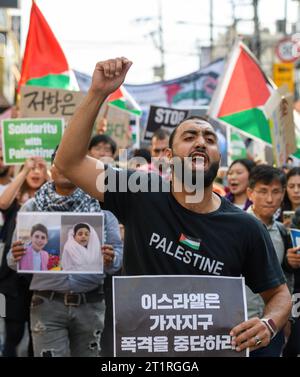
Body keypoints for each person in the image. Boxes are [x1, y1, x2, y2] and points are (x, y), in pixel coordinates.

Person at [54, 57, 292, 354]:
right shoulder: (139, 193)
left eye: (209, 138)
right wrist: (97, 93)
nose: (201, 142)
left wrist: (268, 324)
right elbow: (68, 162)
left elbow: (279, 293)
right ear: (168, 155)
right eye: (189, 136)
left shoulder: (246, 226)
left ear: (218, 156)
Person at [8, 148, 123, 357]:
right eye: (59, 163)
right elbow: (12, 261)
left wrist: (111, 258)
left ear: (80, 170)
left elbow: (118, 259)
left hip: (90, 304)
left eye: (71, 163)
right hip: (46, 305)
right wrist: (15, 256)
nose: (64, 168)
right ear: (51, 169)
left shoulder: (103, 207)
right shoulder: (32, 208)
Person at [246, 165, 296, 357]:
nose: (269, 199)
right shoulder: (235, 228)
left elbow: (286, 278)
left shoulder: (283, 233)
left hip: (270, 325)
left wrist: (286, 319)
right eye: (263, 191)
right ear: (250, 192)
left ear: (283, 194)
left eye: (276, 192)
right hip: (239, 323)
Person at [0, 157, 48, 357]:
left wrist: (49, 172)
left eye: (40, 169)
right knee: (13, 334)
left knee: (37, 338)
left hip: (42, 281)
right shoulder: (16, 203)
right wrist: (24, 169)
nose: (35, 172)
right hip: (13, 279)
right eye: (31, 169)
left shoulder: (51, 201)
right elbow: (3, 202)